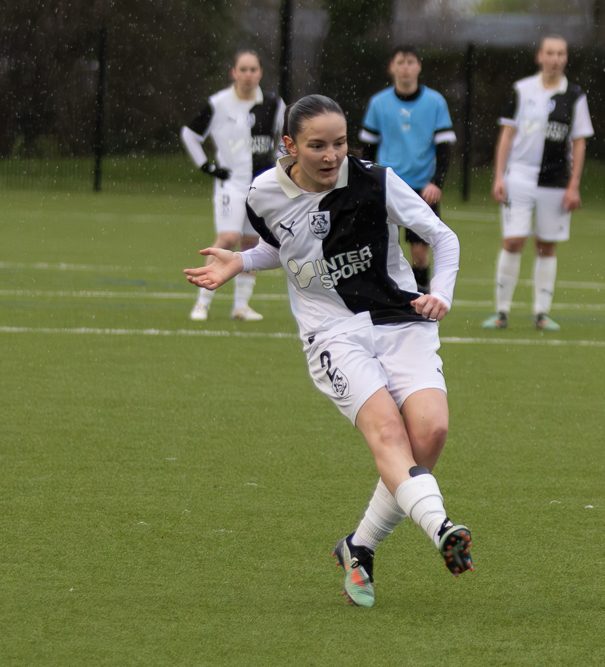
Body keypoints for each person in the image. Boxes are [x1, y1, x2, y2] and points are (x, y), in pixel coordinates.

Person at [183, 95, 472, 609]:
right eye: (317, 145)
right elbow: (284, 245)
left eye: (339, 143)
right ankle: (442, 529)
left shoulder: (376, 181)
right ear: (289, 146)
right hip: (332, 333)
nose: (331, 155)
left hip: (401, 320)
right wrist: (242, 262)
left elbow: (442, 237)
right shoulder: (262, 193)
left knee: (430, 434)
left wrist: (442, 293)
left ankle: (358, 547)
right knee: (387, 433)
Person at [483, 34, 594, 331]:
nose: (555, 59)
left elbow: (579, 143)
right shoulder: (521, 90)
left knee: (546, 245)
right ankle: (501, 312)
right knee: (513, 239)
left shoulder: (575, 95)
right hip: (518, 177)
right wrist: (499, 176)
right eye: (550, 53)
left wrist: (574, 184)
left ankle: (541, 314)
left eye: (560, 53)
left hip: (555, 182)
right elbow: (506, 135)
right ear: (539, 56)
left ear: (566, 58)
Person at [181, 49, 286, 321]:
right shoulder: (219, 103)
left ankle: (241, 306)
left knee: (252, 243)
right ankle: (202, 303)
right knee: (228, 238)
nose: (248, 75)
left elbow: (286, 136)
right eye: (243, 69)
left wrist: (280, 164)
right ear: (233, 73)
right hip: (231, 184)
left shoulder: (274, 104)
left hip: (260, 186)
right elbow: (189, 134)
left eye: (253, 70)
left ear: (260, 73)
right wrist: (207, 165)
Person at [359, 45, 457, 294]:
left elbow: (444, 148)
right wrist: (370, 181)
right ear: (391, 67)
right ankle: (383, 296)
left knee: (420, 252)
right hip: (387, 185)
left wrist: (436, 182)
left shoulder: (435, 102)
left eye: (410, 62)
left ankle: (419, 297)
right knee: (379, 246)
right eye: (400, 62)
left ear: (419, 67)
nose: (405, 67)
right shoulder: (378, 103)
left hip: (421, 188)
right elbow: (368, 148)